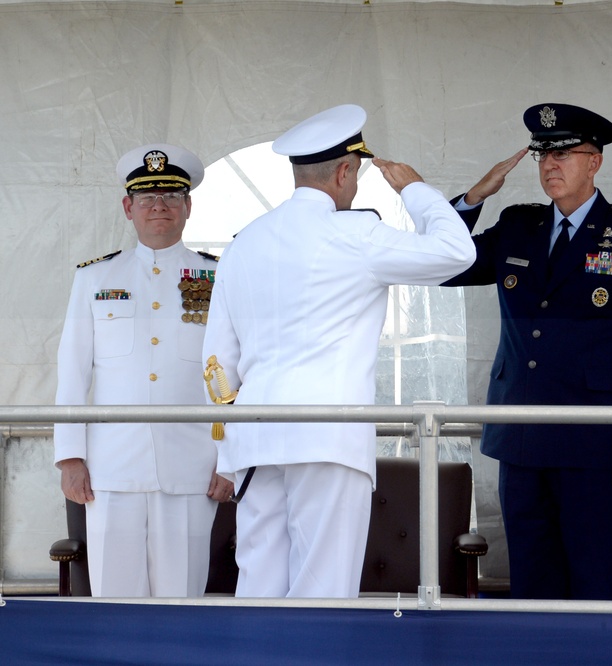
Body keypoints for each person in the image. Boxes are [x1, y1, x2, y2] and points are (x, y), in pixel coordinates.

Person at [201, 104, 476, 598]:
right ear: (345, 170)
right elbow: (458, 252)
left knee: (258, 585)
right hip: (327, 438)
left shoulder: (244, 244)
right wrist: (416, 190)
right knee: (323, 588)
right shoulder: (356, 235)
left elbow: (217, 364)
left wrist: (227, 451)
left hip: (255, 440)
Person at [442, 103, 612, 600]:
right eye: (543, 154)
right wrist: (474, 197)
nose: (550, 165)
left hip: (596, 442)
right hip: (521, 437)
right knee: (531, 578)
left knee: (596, 577)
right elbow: (442, 265)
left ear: (595, 162)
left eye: (564, 153)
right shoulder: (517, 225)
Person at [54, 143, 234, 597]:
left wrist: (231, 458)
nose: (160, 205)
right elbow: (73, 372)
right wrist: (71, 456)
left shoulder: (220, 276)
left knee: (183, 598)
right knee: (114, 598)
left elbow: (233, 373)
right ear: (128, 207)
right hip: (112, 466)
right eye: (149, 197)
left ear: (188, 206)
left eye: (172, 196)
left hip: (192, 464)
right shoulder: (95, 279)